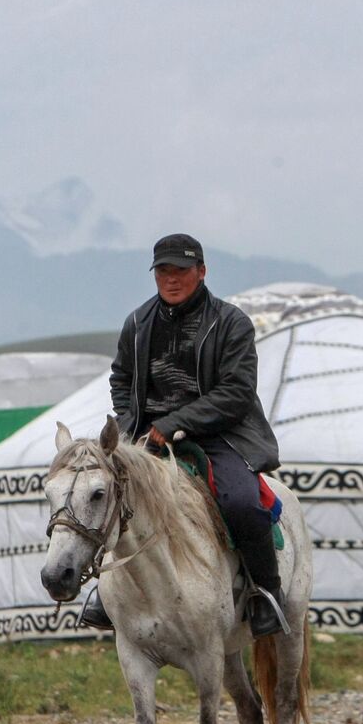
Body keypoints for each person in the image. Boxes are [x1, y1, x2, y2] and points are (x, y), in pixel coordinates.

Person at [77, 233, 287, 637]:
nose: (171, 279)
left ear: (202, 272)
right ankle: (106, 592)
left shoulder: (230, 323)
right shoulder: (138, 323)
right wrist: (129, 423)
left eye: (181, 271)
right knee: (106, 494)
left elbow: (237, 392)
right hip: (149, 436)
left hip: (221, 434)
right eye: (163, 271)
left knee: (241, 503)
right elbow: (121, 377)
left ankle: (266, 592)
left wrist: (175, 423)